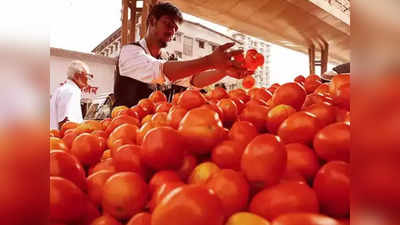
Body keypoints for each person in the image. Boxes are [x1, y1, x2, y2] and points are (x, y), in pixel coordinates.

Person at [114, 2, 247, 107]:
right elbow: (159, 70)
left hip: (157, 131)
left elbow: (194, 79)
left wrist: (224, 70)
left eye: (175, 28)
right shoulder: (130, 52)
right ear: (153, 21)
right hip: (124, 129)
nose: (172, 31)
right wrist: (210, 61)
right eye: (168, 24)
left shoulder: (170, 59)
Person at [50, 60, 92, 130]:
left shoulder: (63, 89)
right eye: (87, 75)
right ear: (77, 76)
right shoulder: (72, 91)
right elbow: (66, 123)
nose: (88, 79)